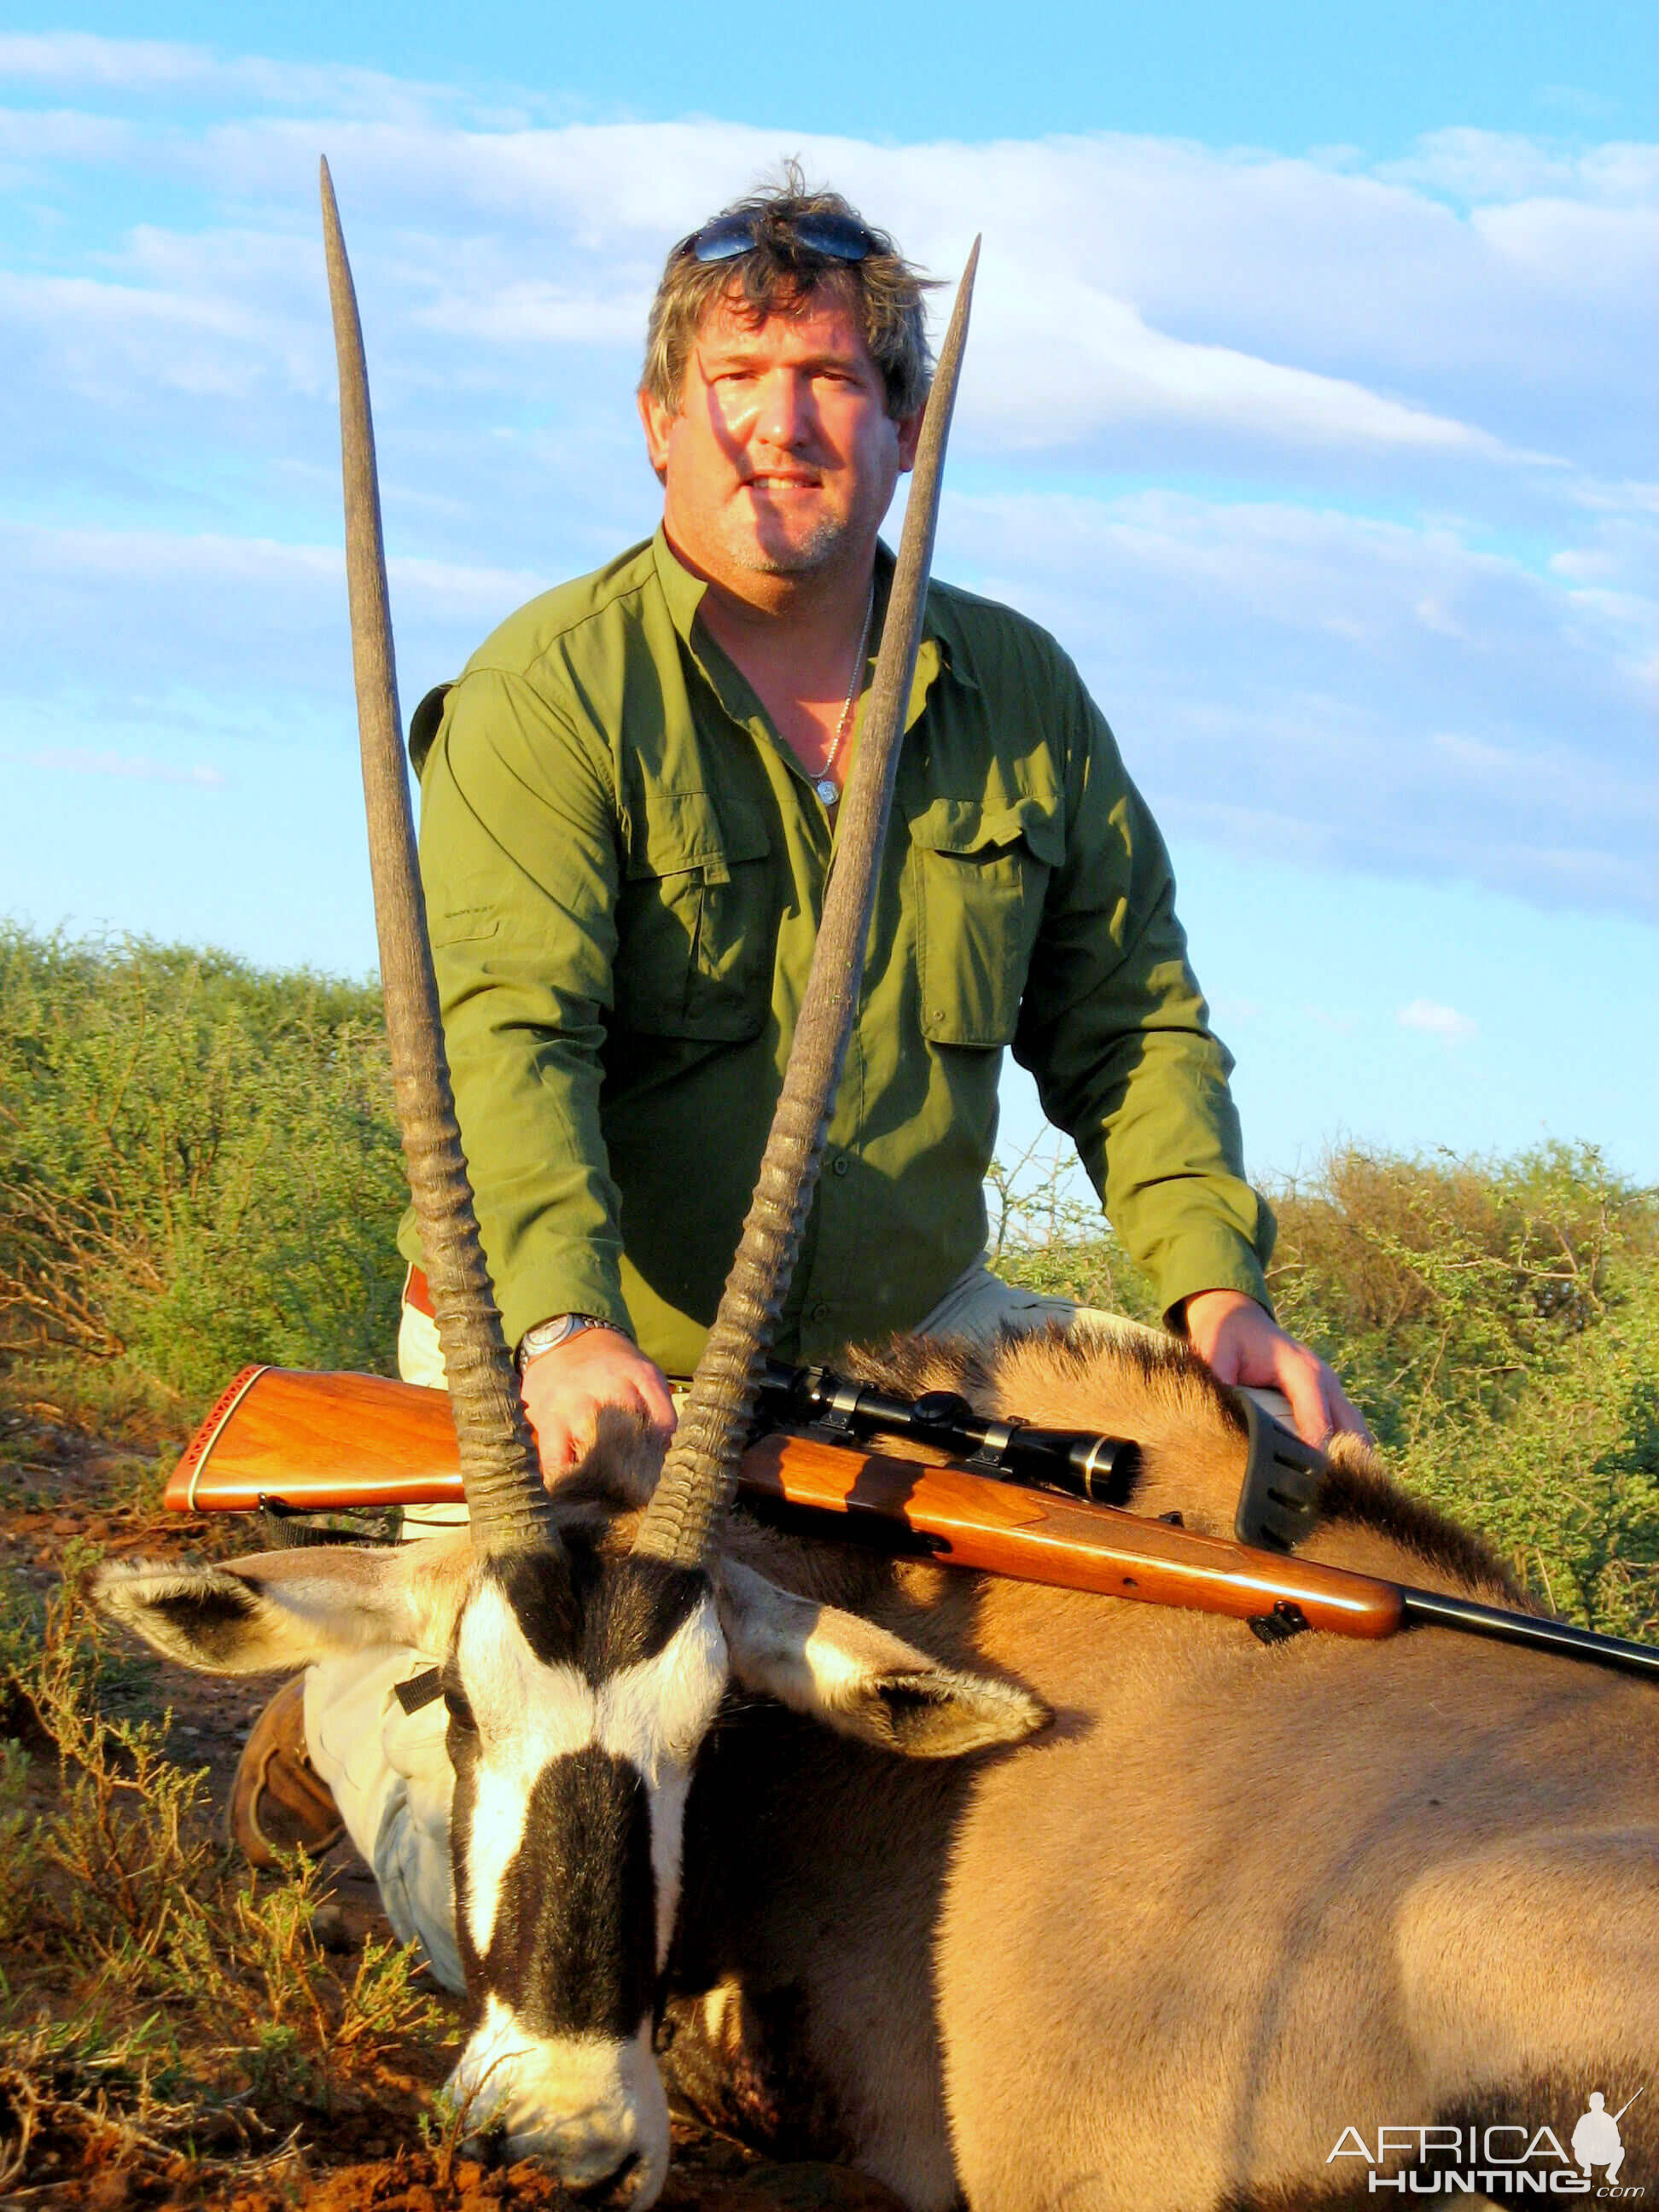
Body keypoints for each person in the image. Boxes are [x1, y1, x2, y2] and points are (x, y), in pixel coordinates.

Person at [228, 169, 1365, 1972]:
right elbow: (508, 1042)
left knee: (1251, 1535)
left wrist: (1218, 1297)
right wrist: (559, 1327)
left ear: (903, 425)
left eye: (834, 377)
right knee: (513, 1920)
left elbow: (1132, 1017)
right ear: (659, 424)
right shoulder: (551, 689)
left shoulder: (1021, 692)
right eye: (739, 375)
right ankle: (347, 1723)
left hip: (910, 1350)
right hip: (592, 1375)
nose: (783, 423)